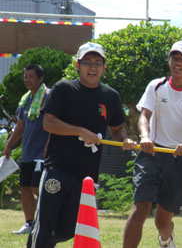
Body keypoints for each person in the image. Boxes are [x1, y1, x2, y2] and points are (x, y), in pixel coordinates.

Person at [27, 42, 135, 247]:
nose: (92, 67)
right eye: (87, 62)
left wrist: (125, 140)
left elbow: (118, 128)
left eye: (97, 62)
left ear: (104, 67)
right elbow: (48, 123)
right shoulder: (63, 89)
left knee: (69, 228)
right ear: (78, 65)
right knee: (45, 223)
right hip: (57, 169)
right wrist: (80, 131)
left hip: (87, 176)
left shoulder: (110, 96)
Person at [123, 39, 182, 248]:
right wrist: (145, 137)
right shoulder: (156, 86)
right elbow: (144, 115)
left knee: (162, 220)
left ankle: (166, 239)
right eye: (174, 58)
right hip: (152, 152)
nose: (177, 63)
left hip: (180, 159)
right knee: (141, 206)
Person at [3, 64, 49, 235]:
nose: (27, 80)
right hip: (28, 151)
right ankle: (30, 223)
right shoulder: (25, 99)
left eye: (30, 76)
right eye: (25, 76)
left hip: (42, 153)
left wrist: (48, 146)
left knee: (37, 188)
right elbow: (20, 125)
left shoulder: (48, 96)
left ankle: (46, 221)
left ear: (40, 78)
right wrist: (9, 145)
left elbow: (53, 123)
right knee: (25, 187)